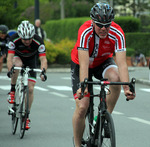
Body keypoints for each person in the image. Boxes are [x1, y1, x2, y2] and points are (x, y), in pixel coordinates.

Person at [71, 2, 136, 147]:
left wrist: (127, 88)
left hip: (103, 62)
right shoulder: (85, 31)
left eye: (107, 25)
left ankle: (105, 116)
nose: (103, 28)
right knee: (82, 106)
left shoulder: (117, 32)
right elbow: (83, 63)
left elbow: (122, 64)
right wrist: (84, 85)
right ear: (93, 22)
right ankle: (77, 144)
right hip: (82, 64)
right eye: (100, 25)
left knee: (116, 77)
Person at [7, 20, 48, 130]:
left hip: (31, 61)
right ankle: (12, 90)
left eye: (29, 38)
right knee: (17, 65)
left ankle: (26, 116)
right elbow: (9, 58)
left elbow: (43, 59)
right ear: (20, 36)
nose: (27, 41)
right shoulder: (14, 39)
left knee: (30, 89)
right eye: (24, 39)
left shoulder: (38, 41)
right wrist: (10, 69)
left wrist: (43, 72)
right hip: (18, 57)